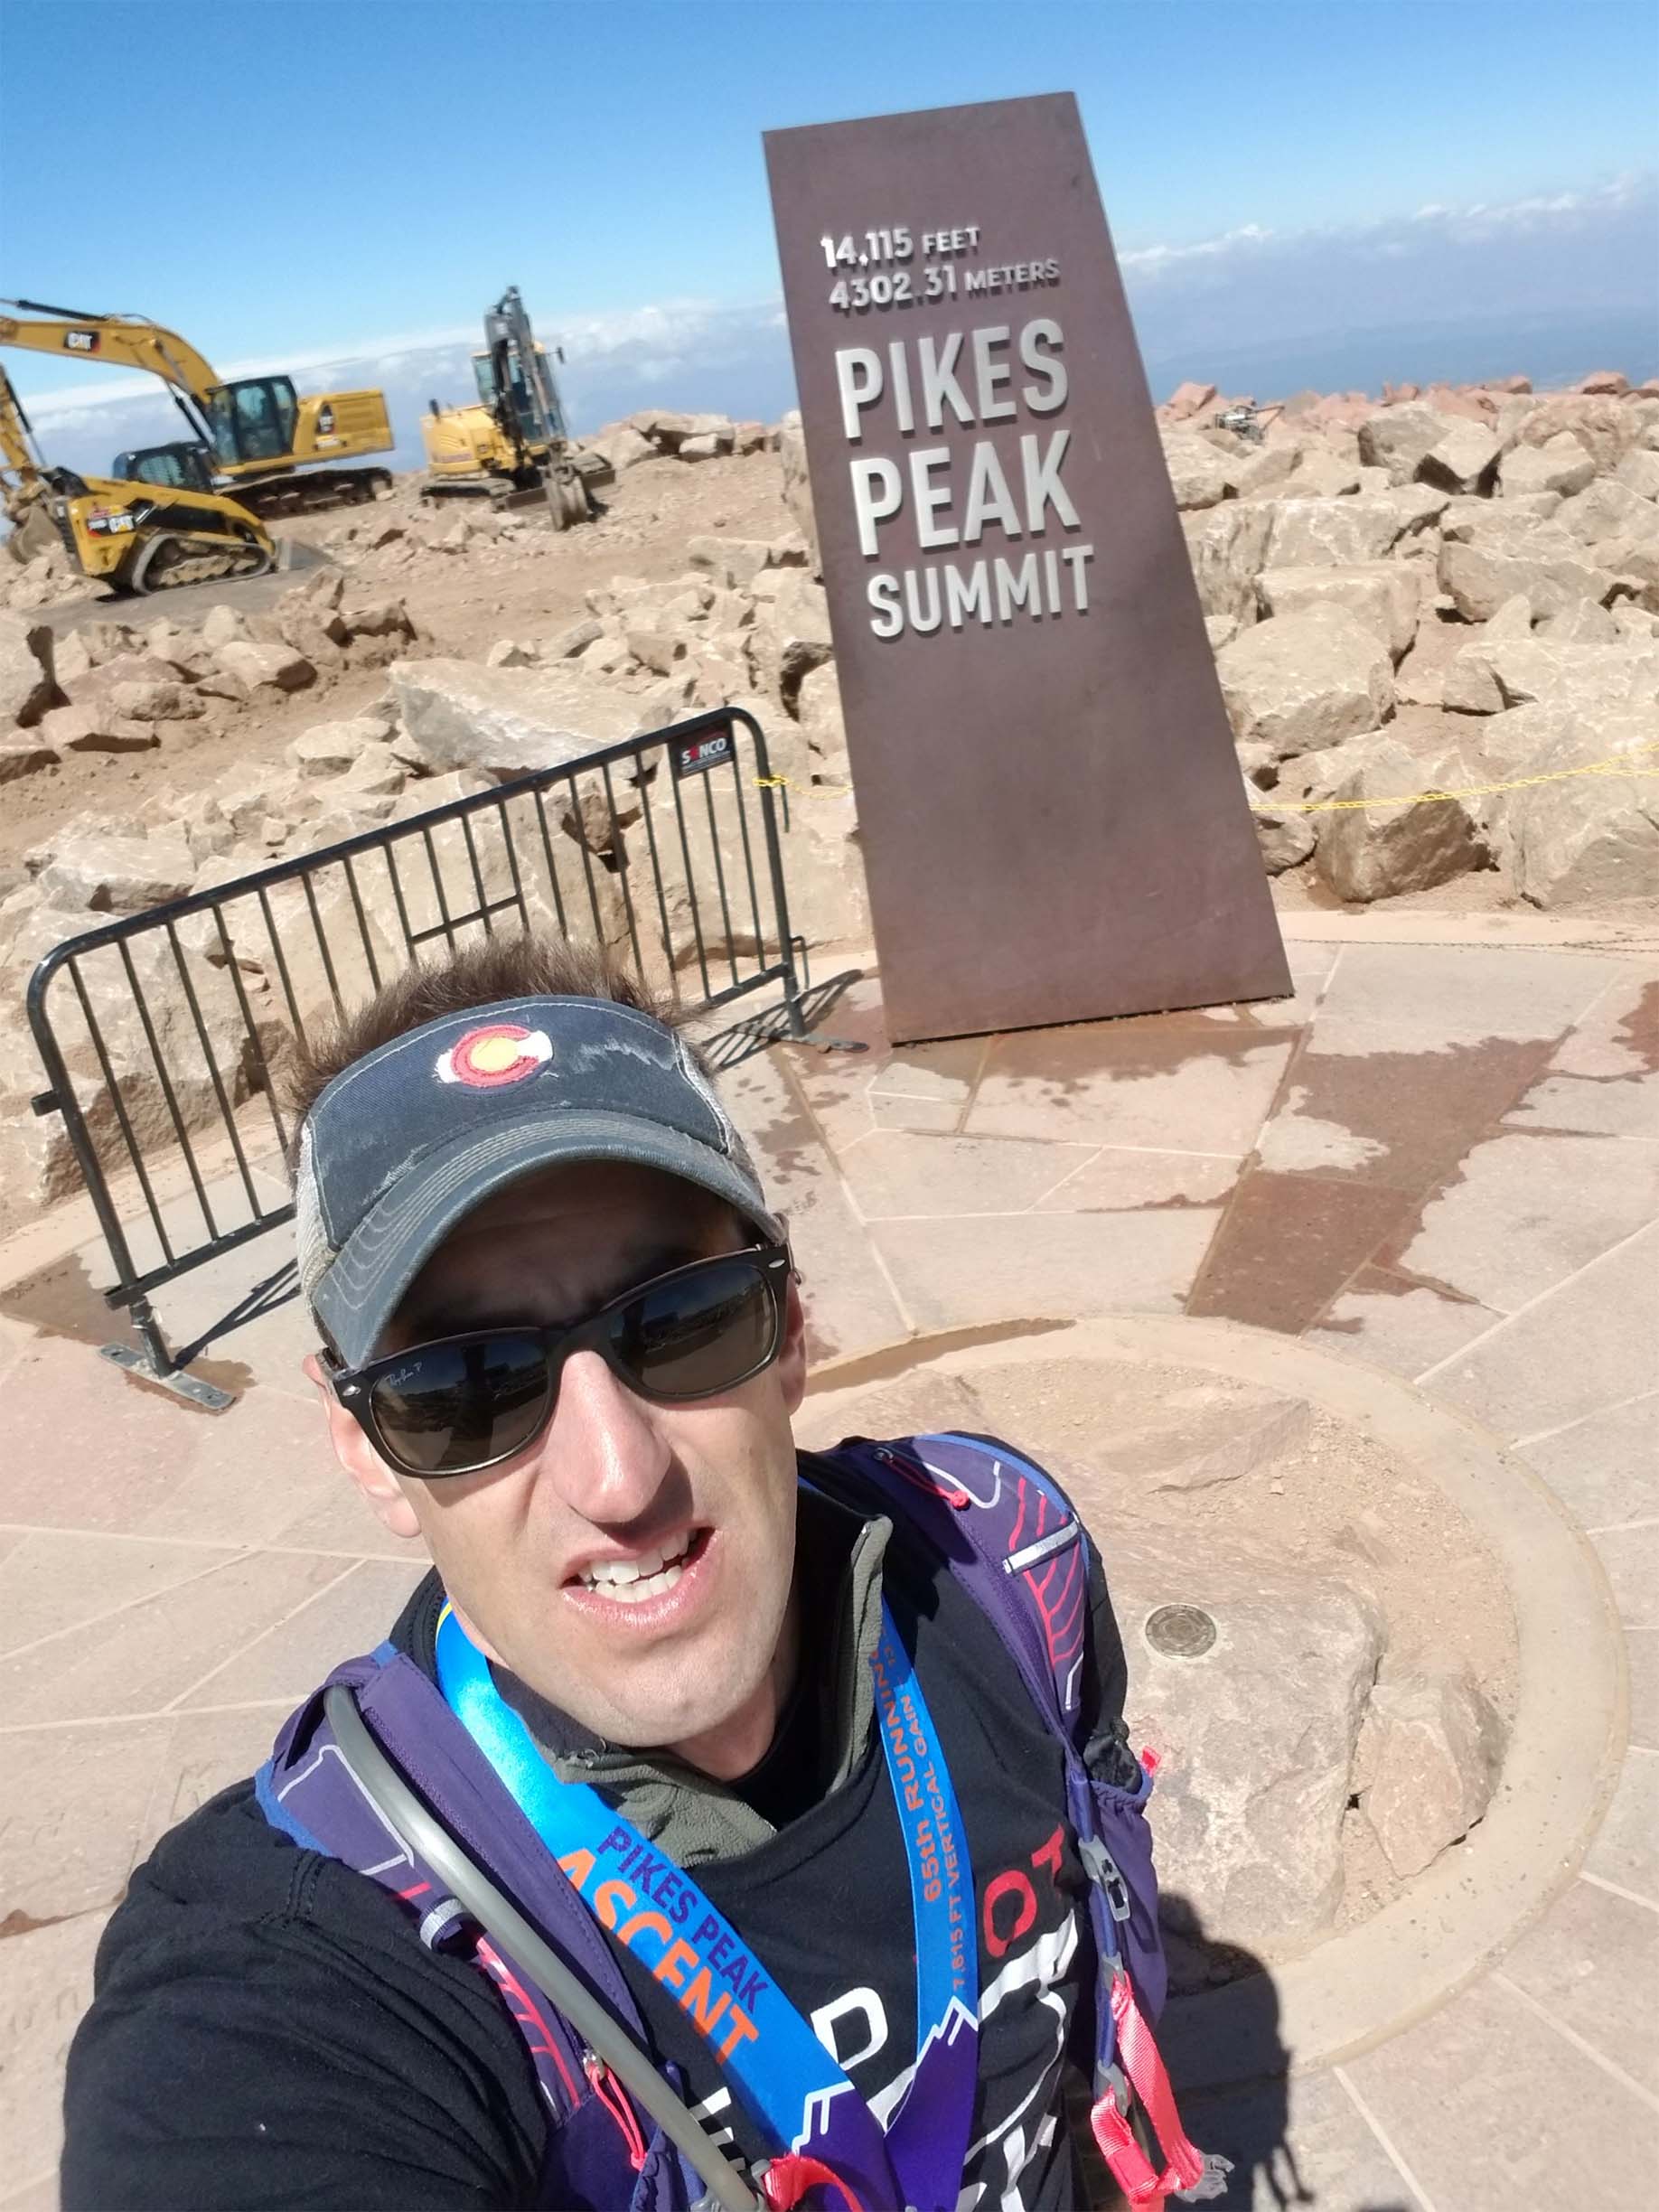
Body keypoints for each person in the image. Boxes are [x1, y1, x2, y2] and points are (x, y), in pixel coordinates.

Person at [62, 934, 1214, 2212]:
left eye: (681, 1319)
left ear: (792, 1333)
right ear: (369, 1454)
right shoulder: (299, 1974)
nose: (617, 1480)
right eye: (464, 1387)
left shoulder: (1008, 1561)